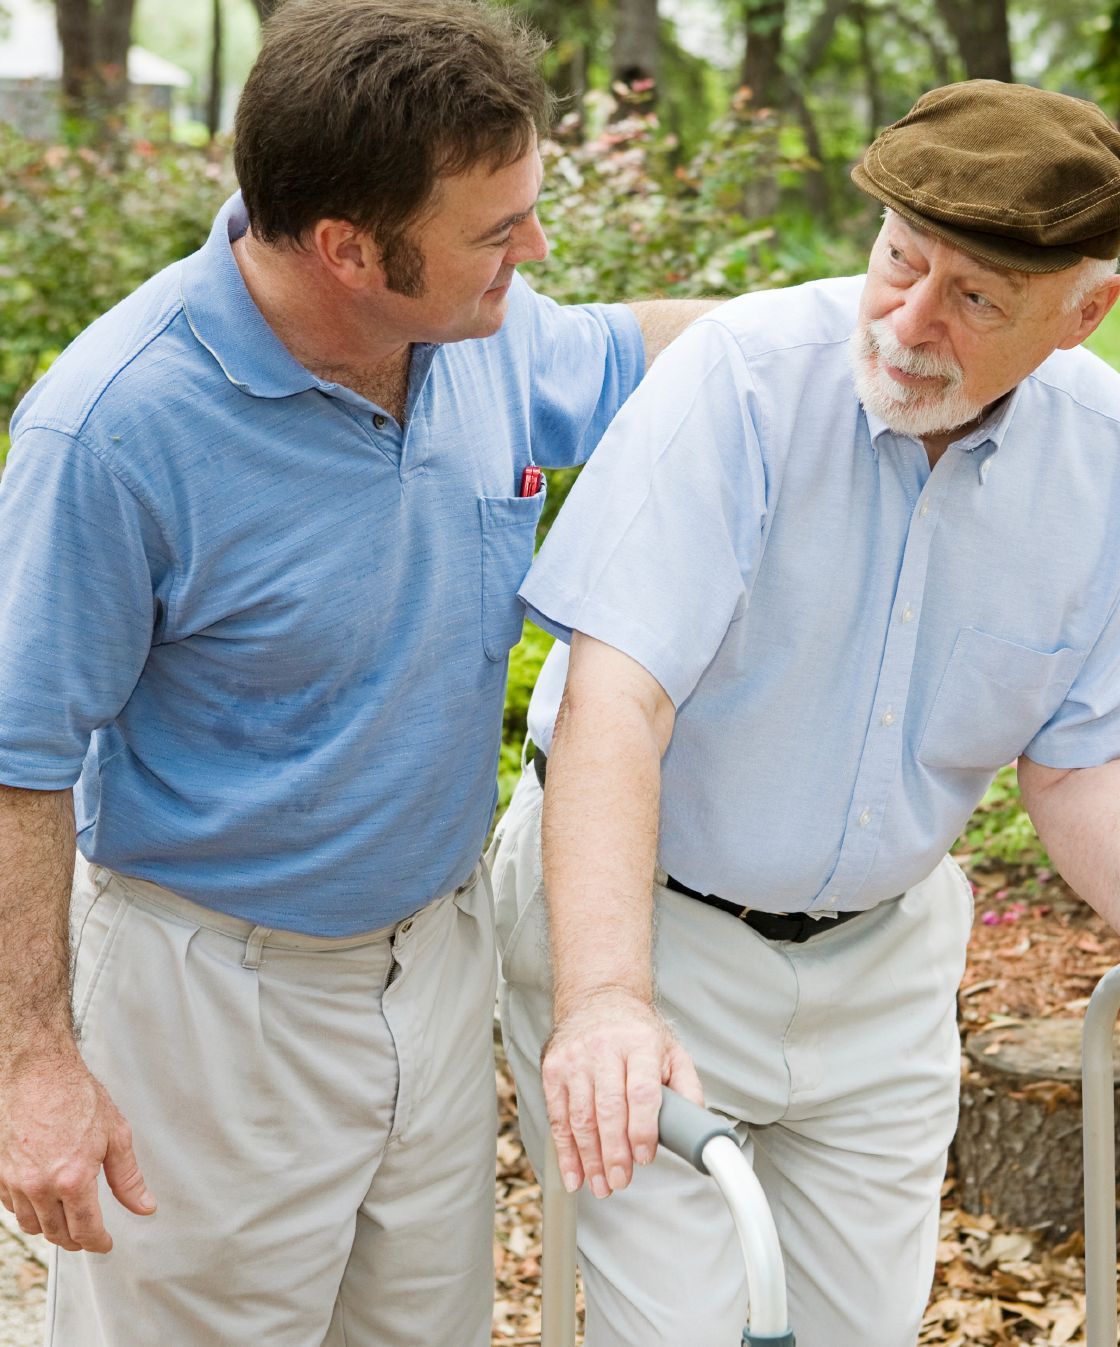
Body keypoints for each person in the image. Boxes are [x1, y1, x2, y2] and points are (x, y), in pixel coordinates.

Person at [490, 79, 1120, 1346]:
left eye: (975, 300)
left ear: (1085, 312)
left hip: (885, 959)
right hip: (654, 931)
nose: (908, 322)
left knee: (861, 1328)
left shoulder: (1110, 454)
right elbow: (614, 706)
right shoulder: (742, 382)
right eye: (901, 261)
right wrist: (608, 1001)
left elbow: (1082, 757)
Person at [0, 2, 713, 1343]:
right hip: (213, 1004)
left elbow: (660, 351)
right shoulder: (111, 432)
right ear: (347, 249)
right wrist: (30, 1061)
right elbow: (14, 760)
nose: (533, 253)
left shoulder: (483, 334)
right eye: (497, 233)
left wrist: (891, 318)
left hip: (431, 965)